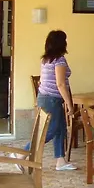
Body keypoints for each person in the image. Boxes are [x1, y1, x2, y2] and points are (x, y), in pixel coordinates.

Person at [16, 30, 76, 171]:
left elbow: (43, 80)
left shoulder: (46, 60)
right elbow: (60, 84)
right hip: (52, 100)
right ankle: (21, 155)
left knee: (60, 129)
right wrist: (69, 104)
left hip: (45, 98)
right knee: (49, 131)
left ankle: (60, 161)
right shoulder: (59, 60)